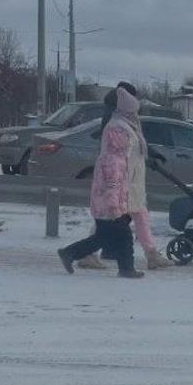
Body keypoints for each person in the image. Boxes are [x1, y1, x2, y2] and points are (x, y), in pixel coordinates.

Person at [77, 83, 170, 270]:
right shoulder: (115, 121)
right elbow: (118, 154)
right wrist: (114, 184)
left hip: (133, 178)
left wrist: (149, 155)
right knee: (109, 219)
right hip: (123, 181)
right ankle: (87, 254)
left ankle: (151, 254)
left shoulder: (130, 119)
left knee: (139, 215)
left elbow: (136, 144)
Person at [57, 86, 147, 279]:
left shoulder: (119, 143)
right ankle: (126, 268)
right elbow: (112, 183)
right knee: (123, 236)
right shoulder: (114, 155)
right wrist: (114, 205)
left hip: (108, 202)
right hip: (109, 204)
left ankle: (70, 253)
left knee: (104, 237)